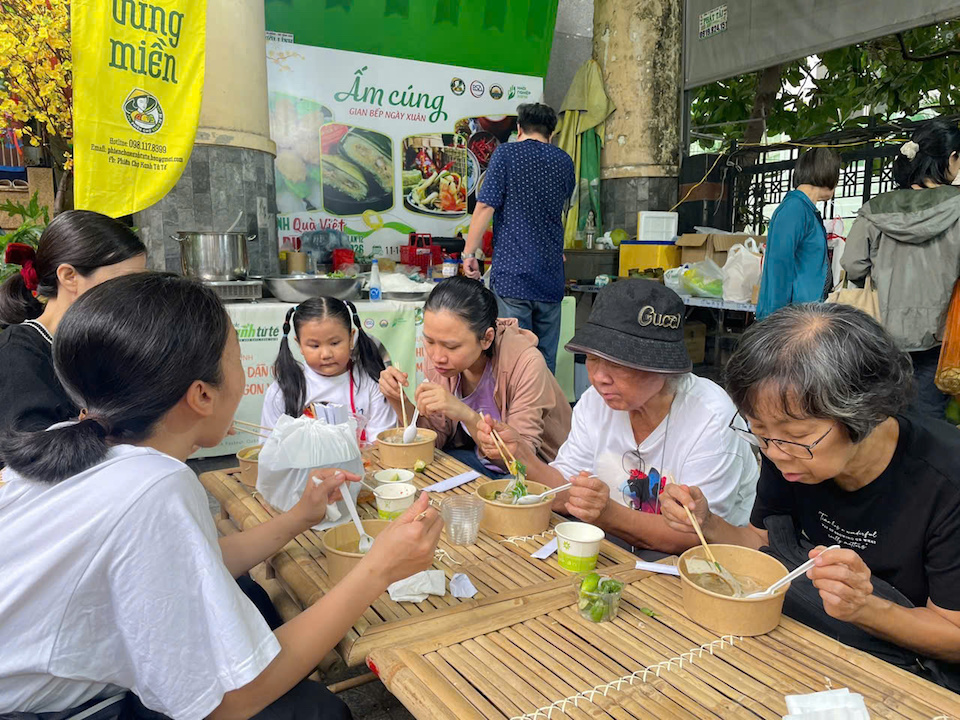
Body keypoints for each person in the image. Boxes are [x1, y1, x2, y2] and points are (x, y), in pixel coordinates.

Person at [0, 273, 442, 719]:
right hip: (54, 711)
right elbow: (227, 704)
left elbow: (197, 558)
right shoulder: (153, 487)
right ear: (202, 395)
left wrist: (301, 516)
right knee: (317, 712)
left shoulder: (72, 443)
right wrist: (380, 568)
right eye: (235, 358)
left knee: (250, 596)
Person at [661, 303, 960, 690]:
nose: (774, 452)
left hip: (907, 675)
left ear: (863, 411)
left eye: (797, 437)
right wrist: (706, 523)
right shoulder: (786, 450)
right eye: (759, 432)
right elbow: (763, 544)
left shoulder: (945, 482)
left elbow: (952, 636)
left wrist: (865, 608)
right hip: (812, 641)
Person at [477, 279, 759, 556]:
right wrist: (519, 455)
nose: (599, 377)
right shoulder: (595, 403)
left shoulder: (711, 418)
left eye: (617, 363)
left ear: (663, 366)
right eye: (592, 358)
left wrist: (609, 515)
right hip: (619, 541)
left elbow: (691, 536)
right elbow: (564, 488)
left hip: (699, 561)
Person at [379, 276, 570, 477]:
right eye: (429, 341)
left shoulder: (526, 363)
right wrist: (397, 399)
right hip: (479, 460)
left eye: (451, 346)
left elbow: (519, 463)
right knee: (426, 466)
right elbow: (436, 440)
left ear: (486, 338)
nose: (437, 357)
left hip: (542, 472)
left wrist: (465, 413)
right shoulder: (441, 364)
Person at [843, 118, 960, 420]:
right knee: (930, 418)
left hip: (882, 332)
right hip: (942, 335)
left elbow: (852, 265)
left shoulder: (875, 209)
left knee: (883, 415)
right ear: (951, 158)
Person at [0, 210, 146, 434]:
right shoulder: (17, 355)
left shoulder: (97, 348)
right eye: (123, 283)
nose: (133, 296)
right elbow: (33, 457)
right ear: (69, 276)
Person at [462, 103, 576, 374]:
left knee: (514, 359)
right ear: (552, 132)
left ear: (519, 128)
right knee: (545, 360)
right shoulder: (564, 161)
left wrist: (469, 253)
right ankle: (543, 415)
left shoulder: (506, 154)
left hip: (513, 276)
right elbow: (560, 210)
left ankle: (517, 416)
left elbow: (485, 206)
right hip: (550, 276)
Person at [261, 296, 396, 440]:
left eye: (335, 343)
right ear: (299, 344)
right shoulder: (282, 390)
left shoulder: (371, 384)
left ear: (351, 338)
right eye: (314, 346)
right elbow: (269, 447)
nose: (326, 354)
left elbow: (380, 444)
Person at [756, 147, 841, 319]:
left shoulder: (804, 210)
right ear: (827, 175)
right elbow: (778, 268)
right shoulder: (794, 210)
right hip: (792, 320)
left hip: (803, 315)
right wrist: (776, 323)